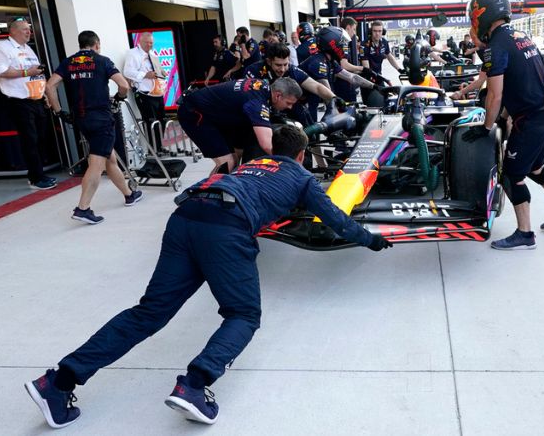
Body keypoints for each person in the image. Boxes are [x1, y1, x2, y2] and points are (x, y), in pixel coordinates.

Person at [24, 123, 393, 429]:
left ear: (270, 150)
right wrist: (371, 241)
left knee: (148, 313)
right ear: (300, 154)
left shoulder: (248, 165)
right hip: (226, 228)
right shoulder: (300, 175)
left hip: (186, 217)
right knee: (244, 314)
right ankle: (194, 386)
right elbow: (335, 219)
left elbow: (192, 194)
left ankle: (57, 382)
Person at [466, 0, 544, 250]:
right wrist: (504, 117)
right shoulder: (521, 37)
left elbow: (495, 96)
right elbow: (523, 81)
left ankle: (525, 234)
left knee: (512, 175)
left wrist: (486, 128)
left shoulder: (496, 46)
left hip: (531, 121)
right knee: (535, 167)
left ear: (481, 14)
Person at [45, 30, 142, 225]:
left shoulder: (68, 62)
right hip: (101, 119)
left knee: (109, 158)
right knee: (96, 164)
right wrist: (119, 98)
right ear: (96, 44)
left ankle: (129, 194)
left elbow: (49, 87)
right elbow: (124, 85)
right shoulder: (102, 61)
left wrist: (58, 112)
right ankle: (83, 208)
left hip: (81, 120)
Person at [177, 77, 301, 173]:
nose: (290, 107)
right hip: (195, 113)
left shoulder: (262, 86)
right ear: (278, 95)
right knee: (227, 163)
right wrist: (290, 163)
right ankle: (208, 195)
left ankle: (226, 191)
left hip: (214, 112)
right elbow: (267, 144)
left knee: (236, 157)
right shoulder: (257, 103)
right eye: (288, 103)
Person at [0, 18, 56, 190]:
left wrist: (45, 95)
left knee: (40, 138)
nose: (29, 32)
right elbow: (1, 71)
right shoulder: (1, 48)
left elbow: (37, 73)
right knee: (30, 140)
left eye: (29, 29)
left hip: (36, 99)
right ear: (13, 31)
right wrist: (28, 71)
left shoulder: (27, 49)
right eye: (25, 29)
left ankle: (38, 173)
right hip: (18, 101)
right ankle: (36, 178)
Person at [243, 42, 339, 126]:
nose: (282, 69)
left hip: (284, 105)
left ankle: (311, 144)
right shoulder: (254, 71)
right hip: (260, 107)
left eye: (285, 64)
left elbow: (317, 87)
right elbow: (248, 99)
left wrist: (336, 100)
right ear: (269, 61)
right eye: (278, 65)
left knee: (304, 115)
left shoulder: (292, 70)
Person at [300, 26, 378, 122]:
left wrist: (375, 86)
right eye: (342, 44)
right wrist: (344, 109)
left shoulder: (330, 61)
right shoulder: (318, 62)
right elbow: (328, 94)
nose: (344, 47)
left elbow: (351, 77)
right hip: (301, 107)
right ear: (332, 45)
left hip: (310, 106)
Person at [123, 32, 168, 148]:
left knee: (162, 120)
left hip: (157, 92)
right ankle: (154, 149)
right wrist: (145, 75)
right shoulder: (133, 54)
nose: (149, 45)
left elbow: (156, 69)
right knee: (150, 121)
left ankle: (160, 146)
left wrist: (162, 72)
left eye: (151, 43)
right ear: (140, 42)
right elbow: (127, 72)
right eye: (146, 42)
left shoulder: (152, 54)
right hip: (144, 93)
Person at [334, 16, 369, 103]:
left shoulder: (337, 39)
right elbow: (344, 65)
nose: (354, 33)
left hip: (337, 81)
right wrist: (362, 68)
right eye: (353, 29)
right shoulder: (343, 41)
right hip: (343, 83)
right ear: (348, 27)